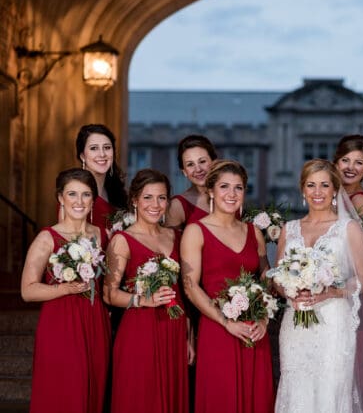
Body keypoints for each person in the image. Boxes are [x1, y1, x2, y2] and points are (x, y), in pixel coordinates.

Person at [274, 159, 363, 413]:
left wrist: (332, 291)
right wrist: (290, 291)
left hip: (333, 321)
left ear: (335, 189)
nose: (317, 192)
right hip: (295, 322)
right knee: (296, 386)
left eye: (324, 185)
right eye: (311, 185)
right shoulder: (289, 229)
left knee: (331, 388)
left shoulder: (349, 228)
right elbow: (277, 277)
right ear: (303, 189)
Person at [180, 160, 274, 413]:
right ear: (211, 191)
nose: (231, 194)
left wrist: (263, 319)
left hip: (254, 332)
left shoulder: (253, 232)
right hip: (218, 330)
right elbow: (190, 287)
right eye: (224, 187)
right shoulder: (196, 231)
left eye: (238, 188)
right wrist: (225, 322)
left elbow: (266, 278)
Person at [21, 168, 111, 413]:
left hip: (95, 321)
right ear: (61, 197)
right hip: (61, 324)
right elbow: (27, 291)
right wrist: (64, 289)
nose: (79, 201)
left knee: (93, 392)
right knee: (65, 392)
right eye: (72, 194)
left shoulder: (101, 235)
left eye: (86, 194)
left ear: (93, 200)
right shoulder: (47, 238)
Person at [104, 169, 190, 413]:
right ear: (135, 200)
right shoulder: (122, 240)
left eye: (161, 198)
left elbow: (184, 290)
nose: (155, 205)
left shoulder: (177, 236)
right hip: (139, 331)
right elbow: (109, 293)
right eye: (148, 197)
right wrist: (143, 300)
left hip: (174, 330)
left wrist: (189, 336)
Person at [75, 124, 128, 234]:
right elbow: (69, 239)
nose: (102, 154)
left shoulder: (115, 190)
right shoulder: (73, 192)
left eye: (107, 148)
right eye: (94, 148)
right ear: (82, 156)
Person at [166, 134, 218, 229]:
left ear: (214, 162)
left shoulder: (230, 197)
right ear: (184, 172)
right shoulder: (177, 205)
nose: (198, 169)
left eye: (202, 161)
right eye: (190, 164)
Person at [333, 134, 363, 232]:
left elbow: (362, 240)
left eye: (359, 163)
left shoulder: (360, 201)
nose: (350, 167)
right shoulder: (337, 195)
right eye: (345, 160)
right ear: (336, 163)